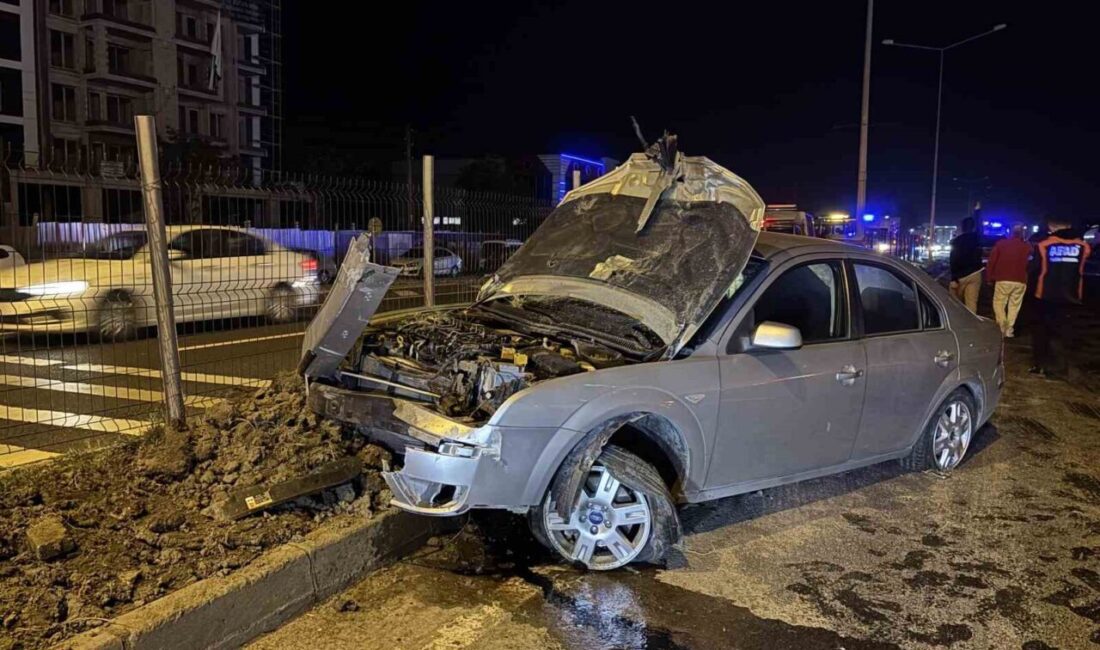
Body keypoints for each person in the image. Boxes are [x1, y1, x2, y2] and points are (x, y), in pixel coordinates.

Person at [1029, 219, 1092, 377]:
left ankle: (1042, 365)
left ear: (1051, 227)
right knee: (1063, 332)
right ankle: (1060, 367)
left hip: (1045, 295)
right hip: (1071, 296)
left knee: (1042, 332)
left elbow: (1033, 270)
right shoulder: (1083, 247)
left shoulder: (1044, 245)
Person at [985, 224, 1032, 337]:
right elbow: (1030, 263)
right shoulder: (1027, 247)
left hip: (1003, 279)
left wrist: (989, 277)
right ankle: (1009, 328)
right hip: (1020, 280)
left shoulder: (1001, 244)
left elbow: (991, 261)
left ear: (1010, 232)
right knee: (1014, 305)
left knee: (999, 303)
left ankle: (1001, 326)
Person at [949, 216, 983, 313]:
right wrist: (978, 212)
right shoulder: (976, 239)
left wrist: (953, 278)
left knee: (955, 303)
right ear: (973, 227)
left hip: (960, 276)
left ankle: (957, 323)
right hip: (975, 274)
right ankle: (971, 324)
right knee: (972, 303)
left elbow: (953, 260)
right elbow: (980, 227)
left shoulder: (957, 241)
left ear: (962, 227)